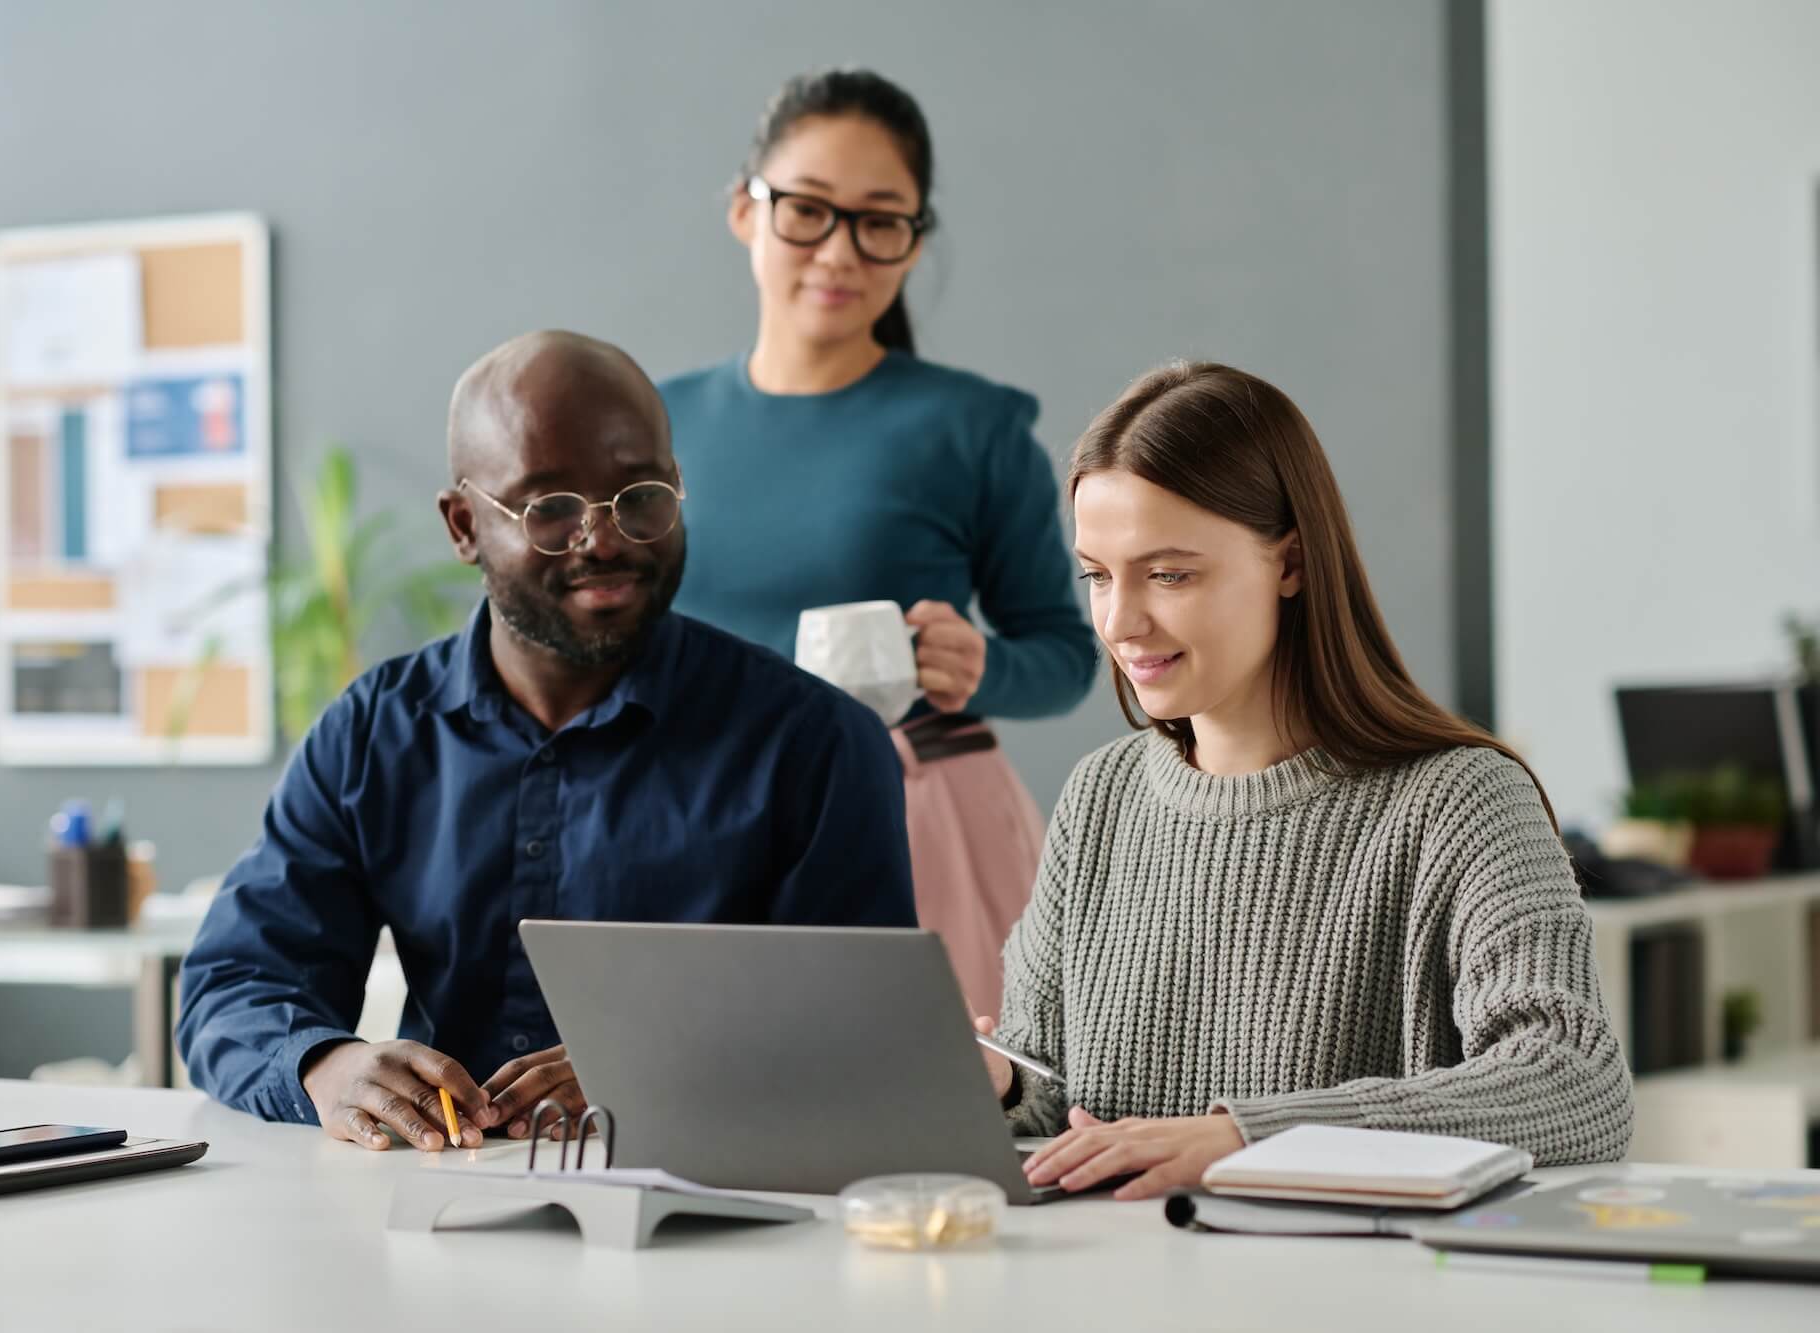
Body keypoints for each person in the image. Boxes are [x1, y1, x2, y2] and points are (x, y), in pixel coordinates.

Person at [177, 330, 914, 1151]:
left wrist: (659, 1067)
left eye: (640, 495)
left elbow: (866, 1031)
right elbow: (235, 983)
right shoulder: (371, 736)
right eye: (550, 507)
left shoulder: (814, 743)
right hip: (435, 1204)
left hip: (717, 1216)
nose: (604, 540)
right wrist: (327, 1065)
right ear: (463, 525)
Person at [981, 362, 1633, 1199]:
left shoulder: (1460, 800)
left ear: (1289, 562)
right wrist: (997, 1083)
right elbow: (1054, 1094)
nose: (1119, 620)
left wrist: (1248, 1138)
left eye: (1169, 573)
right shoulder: (1101, 795)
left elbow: (1573, 1082)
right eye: (1099, 575)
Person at [661, 69, 1096, 1015]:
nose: (839, 251)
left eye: (879, 220)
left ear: (914, 238)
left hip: (918, 824)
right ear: (746, 210)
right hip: (690, 824)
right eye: (808, 210)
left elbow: (1066, 656)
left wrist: (978, 666)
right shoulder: (655, 424)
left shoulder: (974, 427)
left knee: (939, 1133)